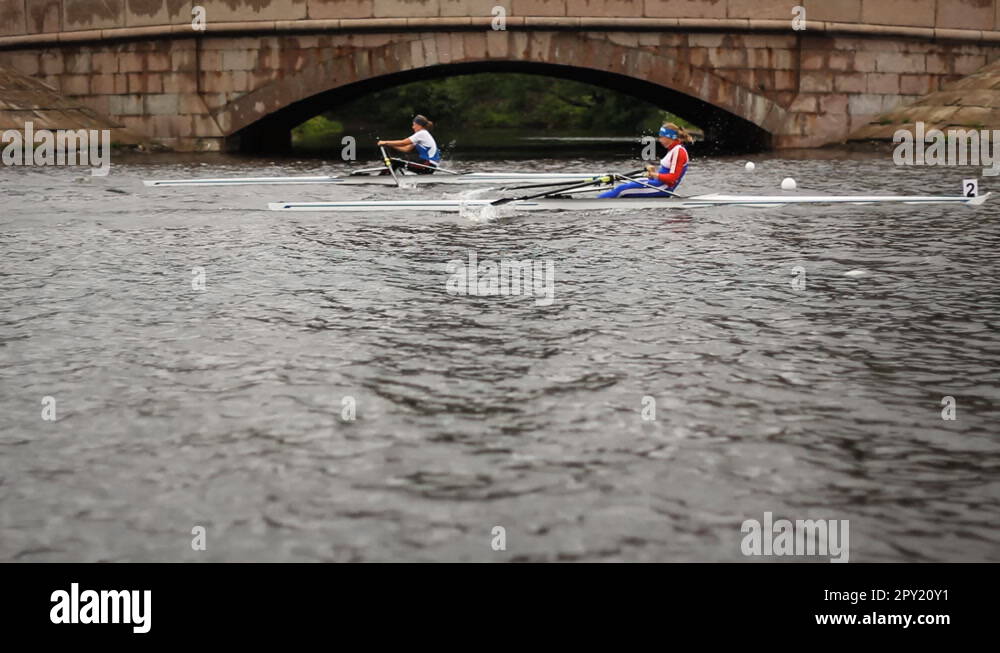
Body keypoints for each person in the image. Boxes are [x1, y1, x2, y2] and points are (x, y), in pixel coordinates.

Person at [599, 123, 693, 198]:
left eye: (661, 137)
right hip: (658, 184)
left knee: (621, 189)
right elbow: (665, 175)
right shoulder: (673, 150)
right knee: (628, 184)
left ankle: (597, 202)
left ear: (669, 137)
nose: (659, 140)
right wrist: (653, 173)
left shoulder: (678, 151)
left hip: (662, 188)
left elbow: (672, 179)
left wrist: (654, 174)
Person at [376, 115, 441, 174]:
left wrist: (385, 142)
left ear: (419, 125)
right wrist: (390, 145)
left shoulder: (422, 133)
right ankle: (388, 177)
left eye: (414, 125)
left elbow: (403, 142)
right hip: (429, 165)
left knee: (395, 162)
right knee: (396, 161)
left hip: (427, 164)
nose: (413, 127)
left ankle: (382, 179)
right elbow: (406, 149)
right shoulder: (423, 134)